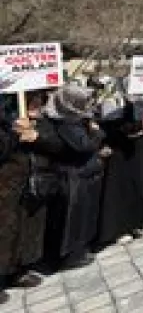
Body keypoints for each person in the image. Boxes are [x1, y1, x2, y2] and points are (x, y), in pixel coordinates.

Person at [37, 85, 105, 271]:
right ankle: (69, 257)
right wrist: (97, 133)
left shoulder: (71, 118)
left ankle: (76, 252)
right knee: (70, 219)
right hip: (71, 175)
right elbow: (84, 146)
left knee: (77, 217)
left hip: (76, 174)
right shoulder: (66, 122)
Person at [93, 79, 143, 248]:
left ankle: (133, 223)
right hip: (116, 152)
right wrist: (138, 125)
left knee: (132, 188)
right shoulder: (110, 100)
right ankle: (117, 230)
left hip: (129, 151)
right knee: (117, 192)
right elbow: (113, 127)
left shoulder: (130, 101)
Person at [0, 95, 49, 303]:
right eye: (34, 102)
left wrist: (33, 128)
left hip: (23, 183)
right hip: (4, 184)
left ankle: (16, 270)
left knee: (21, 227)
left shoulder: (32, 117)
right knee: (4, 230)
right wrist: (15, 132)